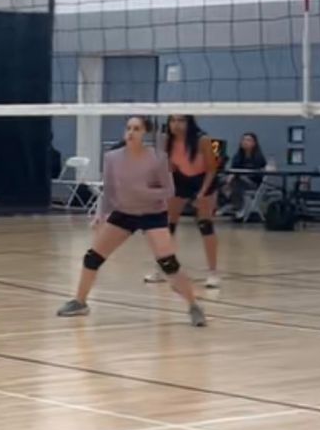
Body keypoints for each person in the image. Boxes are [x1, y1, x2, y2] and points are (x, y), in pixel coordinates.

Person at [58, 116, 208, 326]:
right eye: (128, 128)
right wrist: (100, 215)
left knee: (169, 264)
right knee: (92, 258)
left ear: (144, 133)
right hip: (124, 213)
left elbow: (169, 190)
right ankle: (80, 302)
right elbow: (109, 190)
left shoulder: (157, 158)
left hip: (152, 214)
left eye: (136, 129)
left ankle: (194, 306)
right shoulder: (112, 157)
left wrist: (146, 192)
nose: (131, 132)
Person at [149, 113, 222, 289]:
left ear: (189, 122)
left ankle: (213, 273)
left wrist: (202, 193)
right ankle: (162, 267)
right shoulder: (167, 140)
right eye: (173, 120)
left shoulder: (203, 140)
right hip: (181, 178)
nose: (176, 124)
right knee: (167, 225)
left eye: (181, 120)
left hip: (203, 179)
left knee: (205, 225)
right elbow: (168, 167)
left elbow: (213, 168)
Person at [221, 132, 271, 218]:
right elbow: (233, 169)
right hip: (237, 182)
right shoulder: (237, 156)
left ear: (254, 143)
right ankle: (233, 204)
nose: (245, 142)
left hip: (253, 183)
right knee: (221, 180)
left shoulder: (258, 158)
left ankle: (237, 207)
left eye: (248, 140)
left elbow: (259, 174)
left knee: (237, 179)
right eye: (243, 140)